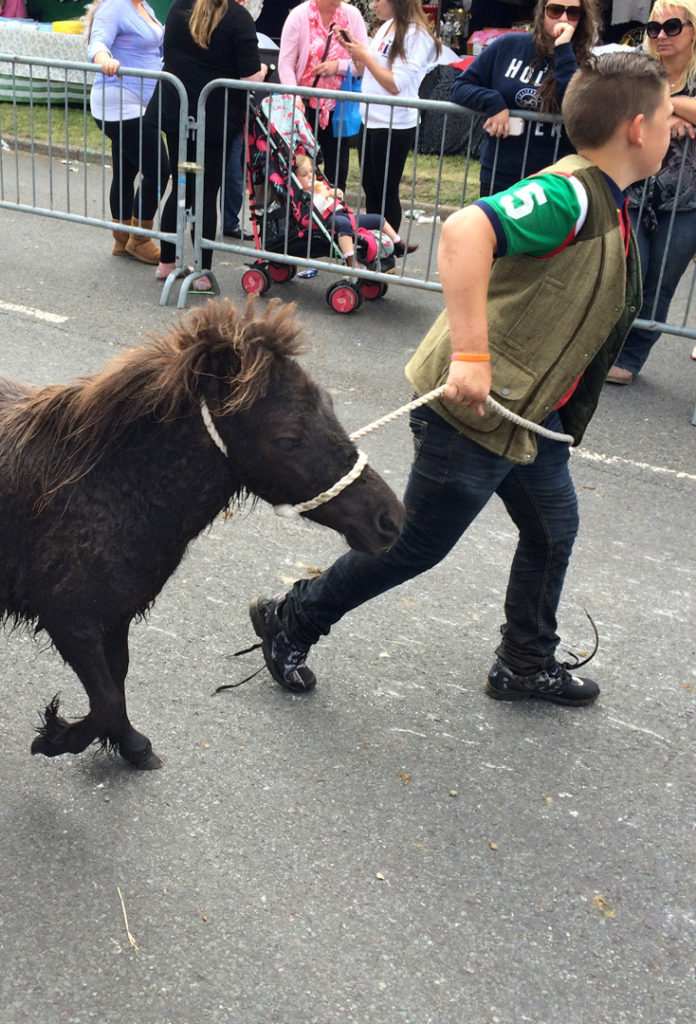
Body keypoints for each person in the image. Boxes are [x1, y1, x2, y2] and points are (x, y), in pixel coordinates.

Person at [247, 50, 671, 707]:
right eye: (671, 116)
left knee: (552, 529)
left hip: (527, 414)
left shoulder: (606, 197)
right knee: (413, 544)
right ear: (638, 129)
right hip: (472, 410)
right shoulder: (569, 195)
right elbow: (466, 231)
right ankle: (292, 617)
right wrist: (472, 355)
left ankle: (525, 662)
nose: (679, 129)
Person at [144, 0, 267, 291]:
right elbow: (250, 76)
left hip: (178, 111)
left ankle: (167, 263)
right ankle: (201, 273)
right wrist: (264, 68)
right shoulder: (238, 18)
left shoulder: (178, 9)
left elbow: (169, 52)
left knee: (181, 183)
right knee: (207, 191)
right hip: (215, 117)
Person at [607, 1, 696, 384]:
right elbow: (618, 107)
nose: (660, 35)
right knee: (628, 270)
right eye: (653, 28)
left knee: (662, 279)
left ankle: (632, 357)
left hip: (688, 201)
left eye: (673, 26)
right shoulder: (641, 70)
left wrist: (667, 104)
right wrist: (673, 112)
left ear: (694, 29)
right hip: (636, 190)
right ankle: (605, 349)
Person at [450, 0, 600, 196]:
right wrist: (492, 101)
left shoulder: (587, 65)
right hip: (501, 171)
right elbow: (460, 87)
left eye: (572, 13)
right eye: (555, 11)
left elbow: (574, 105)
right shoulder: (508, 45)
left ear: (582, 18)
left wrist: (563, 49)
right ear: (542, 12)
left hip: (553, 177)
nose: (563, 19)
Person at [337, 0, 441, 233]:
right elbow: (367, 73)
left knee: (385, 189)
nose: (373, 5)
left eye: (378, 0)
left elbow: (395, 84)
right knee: (370, 186)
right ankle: (376, 241)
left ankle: (389, 246)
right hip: (371, 118)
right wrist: (355, 53)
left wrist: (365, 55)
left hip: (395, 124)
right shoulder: (387, 27)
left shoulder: (416, 35)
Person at [86, 0, 168, 264]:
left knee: (125, 169)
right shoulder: (115, 5)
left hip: (137, 102)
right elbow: (97, 42)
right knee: (159, 168)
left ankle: (122, 239)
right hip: (120, 101)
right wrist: (106, 60)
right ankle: (139, 239)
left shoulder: (143, 7)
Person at [277, 0, 368, 192]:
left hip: (337, 109)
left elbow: (364, 64)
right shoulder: (299, 15)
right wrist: (294, 97)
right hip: (304, 106)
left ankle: (333, 217)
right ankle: (301, 215)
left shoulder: (352, 16)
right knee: (301, 169)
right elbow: (285, 62)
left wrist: (338, 66)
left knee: (337, 172)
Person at [293, 150, 417, 262]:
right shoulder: (304, 195)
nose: (310, 176)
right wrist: (324, 195)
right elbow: (314, 210)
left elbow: (337, 199)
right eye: (304, 175)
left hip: (344, 214)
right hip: (327, 220)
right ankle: (351, 259)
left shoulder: (319, 186)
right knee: (343, 224)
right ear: (296, 179)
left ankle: (399, 244)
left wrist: (336, 193)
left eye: (311, 171)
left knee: (378, 219)